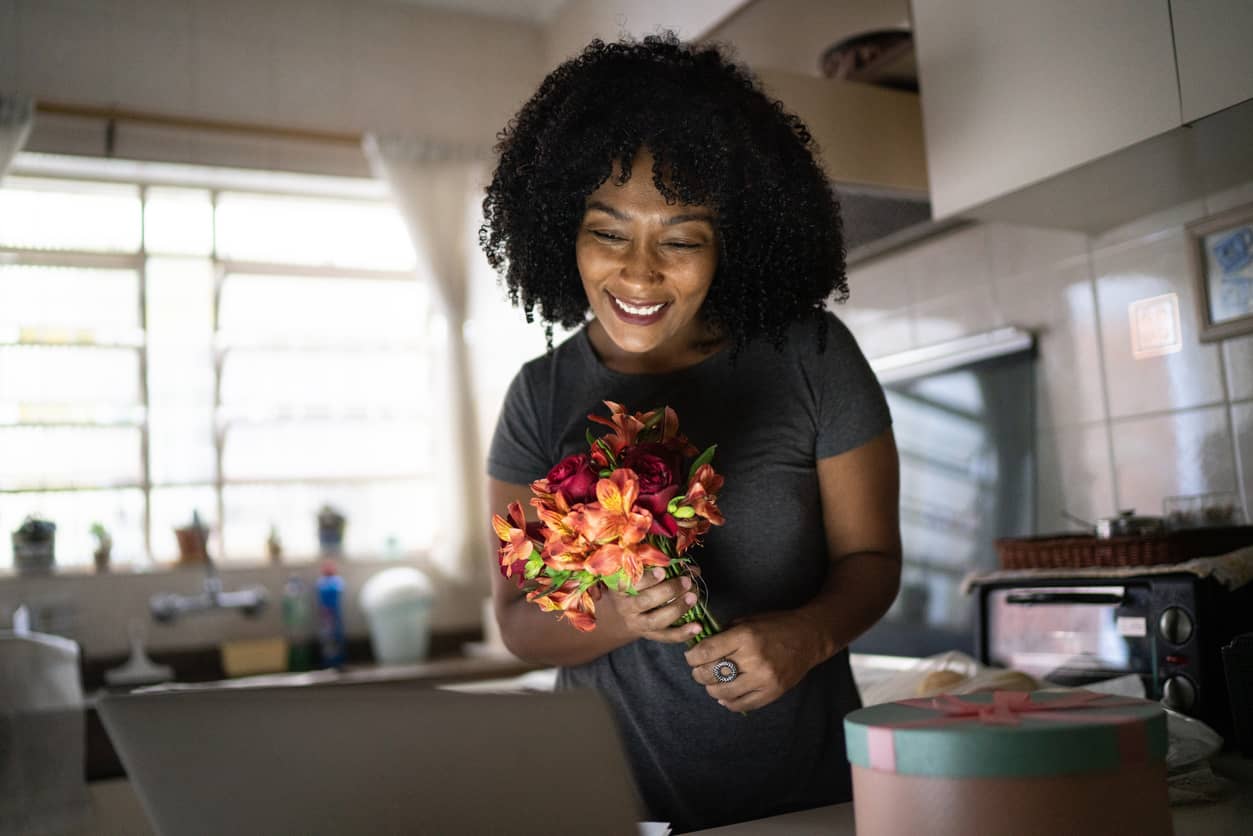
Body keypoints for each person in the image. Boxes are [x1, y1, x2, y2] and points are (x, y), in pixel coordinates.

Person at [481, 34, 901, 833]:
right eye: (607, 232)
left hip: (809, 807)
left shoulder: (810, 355)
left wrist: (807, 635)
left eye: (679, 239)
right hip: (612, 812)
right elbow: (516, 619)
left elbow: (871, 561)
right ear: (560, 228)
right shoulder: (538, 398)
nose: (638, 275)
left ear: (731, 244)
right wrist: (617, 616)